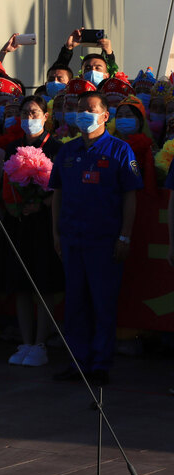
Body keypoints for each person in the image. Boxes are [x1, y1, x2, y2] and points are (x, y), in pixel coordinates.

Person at [50, 91, 141, 386]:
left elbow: (130, 196)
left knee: (103, 303)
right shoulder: (67, 151)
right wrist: (56, 233)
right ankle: (77, 362)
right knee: (75, 303)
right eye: (80, 109)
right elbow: (57, 194)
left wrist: (125, 236)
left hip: (105, 241)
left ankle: (100, 364)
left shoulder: (120, 150)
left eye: (90, 109)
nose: (83, 114)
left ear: (104, 116)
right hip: (72, 239)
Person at [3, 96, 63, 367]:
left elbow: (61, 189)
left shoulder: (56, 148)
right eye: (25, 112)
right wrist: (16, 205)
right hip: (20, 222)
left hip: (45, 223)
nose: (29, 117)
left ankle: (40, 343)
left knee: (43, 284)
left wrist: (42, 203)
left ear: (46, 116)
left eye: (35, 112)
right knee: (21, 284)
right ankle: (26, 342)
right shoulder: (12, 148)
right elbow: (6, 186)